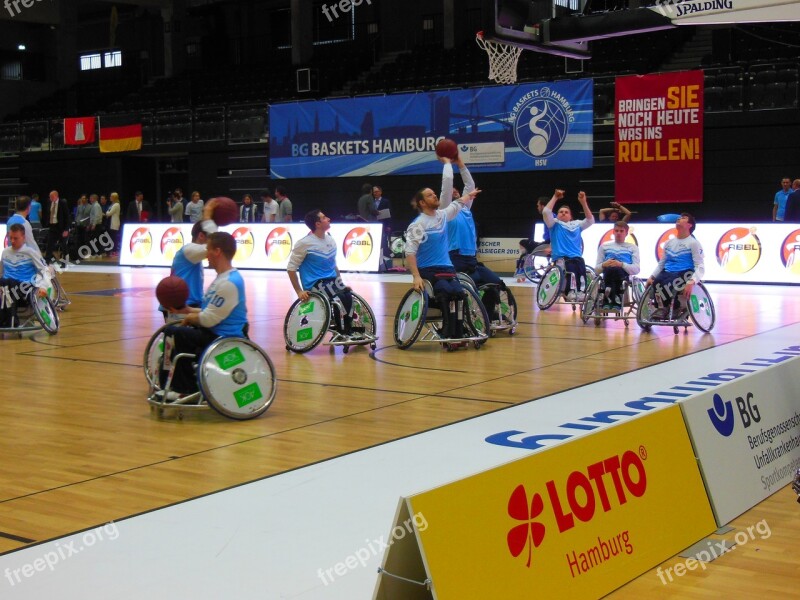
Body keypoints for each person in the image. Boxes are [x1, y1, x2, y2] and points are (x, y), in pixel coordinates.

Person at [161, 231, 247, 398]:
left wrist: (189, 318)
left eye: (208, 249)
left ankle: (184, 389)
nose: (206, 254)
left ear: (217, 251)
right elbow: (210, 311)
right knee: (173, 331)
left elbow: (208, 319)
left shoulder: (229, 282)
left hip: (223, 335)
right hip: (215, 331)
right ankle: (172, 382)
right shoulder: (222, 279)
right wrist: (186, 311)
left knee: (176, 333)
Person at [404, 157, 478, 339]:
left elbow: (459, 202)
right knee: (446, 291)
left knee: (460, 294)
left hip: (448, 268)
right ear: (422, 203)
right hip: (429, 270)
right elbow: (410, 253)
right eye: (430, 195)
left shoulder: (443, 215)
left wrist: (469, 194)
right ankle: (447, 330)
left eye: (434, 194)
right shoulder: (418, 225)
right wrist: (416, 276)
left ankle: (459, 330)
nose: (435, 196)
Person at [439, 157, 505, 320]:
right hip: (455, 258)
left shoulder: (466, 208)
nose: (454, 191)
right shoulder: (445, 210)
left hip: (472, 260)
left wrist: (460, 163)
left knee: (495, 284)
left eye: (457, 190)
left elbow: (470, 185)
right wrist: (448, 163)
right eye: (452, 191)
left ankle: (487, 316)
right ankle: (463, 318)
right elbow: (446, 185)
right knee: (467, 290)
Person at [287, 209, 359, 336]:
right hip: (315, 284)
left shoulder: (330, 240)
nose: (328, 219)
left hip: (331, 281)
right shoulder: (304, 243)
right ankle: (341, 329)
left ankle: (348, 328)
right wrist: (299, 291)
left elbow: (334, 265)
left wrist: (341, 283)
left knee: (347, 294)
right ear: (318, 224)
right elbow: (291, 268)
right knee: (340, 296)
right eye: (324, 217)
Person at [646, 213, 705, 320]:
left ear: (689, 225)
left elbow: (700, 267)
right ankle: (662, 308)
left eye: (683, 218)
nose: (679, 219)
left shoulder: (693, 243)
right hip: (668, 271)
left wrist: (692, 281)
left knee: (667, 284)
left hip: (685, 272)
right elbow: (661, 263)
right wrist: (652, 276)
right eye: (679, 217)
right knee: (656, 283)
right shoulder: (669, 243)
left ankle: (675, 307)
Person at [542, 189, 595, 301]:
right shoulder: (554, 223)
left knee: (580, 266)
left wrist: (583, 202)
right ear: (558, 215)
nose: (563, 213)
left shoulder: (577, 224)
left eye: (566, 212)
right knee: (569, 266)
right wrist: (555, 197)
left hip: (576, 256)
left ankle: (581, 292)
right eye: (561, 211)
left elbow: (590, 220)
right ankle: (570, 291)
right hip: (561, 257)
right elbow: (546, 211)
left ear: (571, 216)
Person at [0, 224, 49, 327]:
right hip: (6, 286)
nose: (12, 241)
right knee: (5, 283)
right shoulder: (5, 252)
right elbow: (2, 273)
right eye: (11, 238)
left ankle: (10, 320)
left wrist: (43, 287)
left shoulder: (30, 253)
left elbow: (44, 271)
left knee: (8, 284)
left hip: (25, 287)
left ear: (23, 237)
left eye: (16, 238)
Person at [595, 221, 640, 309]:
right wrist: (604, 264)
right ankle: (614, 299)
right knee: (610, 269)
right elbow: (596, 270)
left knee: (615, 269)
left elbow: (636, 269)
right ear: (613, 232)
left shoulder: (633, 247)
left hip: (623, 275)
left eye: (621, 231)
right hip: (607, 273)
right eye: (616, 231)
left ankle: (609, 299)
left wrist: (621, 264)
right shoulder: (604, 246)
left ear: (626, 233)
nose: (618, 233)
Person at [45, 190, 70, 265]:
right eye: (50, 197)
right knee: (49, 245)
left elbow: (67, 217)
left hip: (61, 227)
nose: (50, 198)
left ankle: (64, 262)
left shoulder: (62, 203)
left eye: (52, 196)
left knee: (63, 245)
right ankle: (46, 262)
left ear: (56, 196)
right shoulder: (49, 203)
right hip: (52, 226)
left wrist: (66, 229)